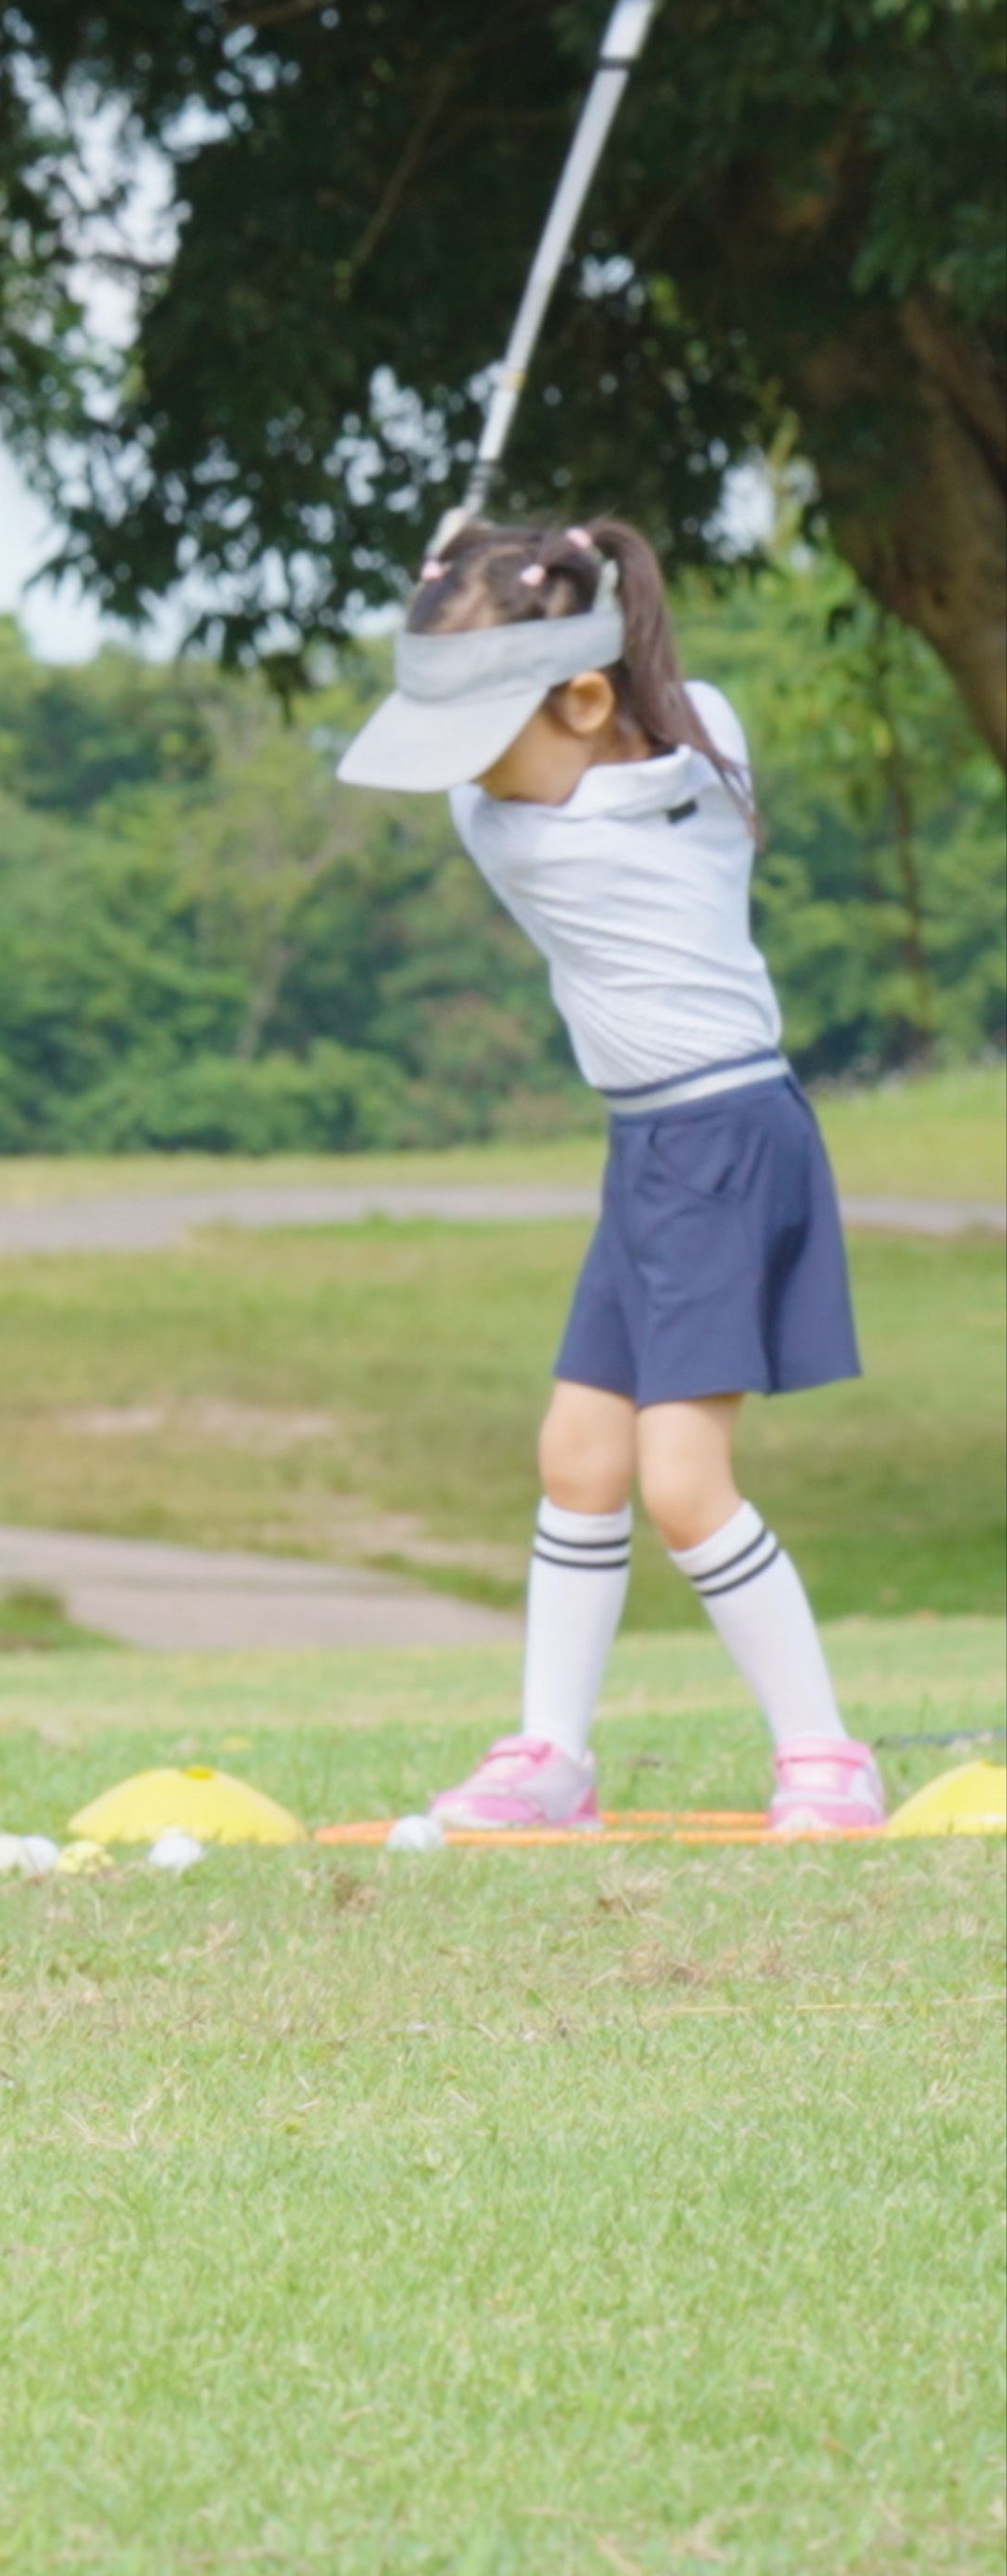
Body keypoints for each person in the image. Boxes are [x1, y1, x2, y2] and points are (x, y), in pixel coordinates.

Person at [336, 520, 881, 1838]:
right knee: (577, 1458)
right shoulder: (711, 746)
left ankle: (825, 1755)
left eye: (478, 741)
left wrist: (454, 602)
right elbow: (669, 698)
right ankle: (551, 1759)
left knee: (683, 1484)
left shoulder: (522, 842)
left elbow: (487, 785)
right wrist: (491, 609)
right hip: (669, 1143)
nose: (465, 775)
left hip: (718, 1144)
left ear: (584, 701)